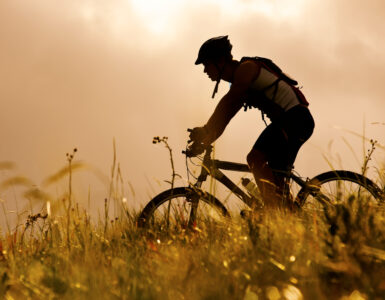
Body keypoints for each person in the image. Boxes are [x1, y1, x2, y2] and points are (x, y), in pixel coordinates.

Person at [189, 35, 315, 210]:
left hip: (295, 119)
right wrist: (205, 141)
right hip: (290, 121)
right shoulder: (239, 83)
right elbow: (226, 115)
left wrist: (205, 129)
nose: (205, 71)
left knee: (255, 158)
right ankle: (287, 216)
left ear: (220, 61)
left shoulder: (246, 69)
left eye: (206, 64)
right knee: (276, 181)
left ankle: (275, 212)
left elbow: (229, 101)